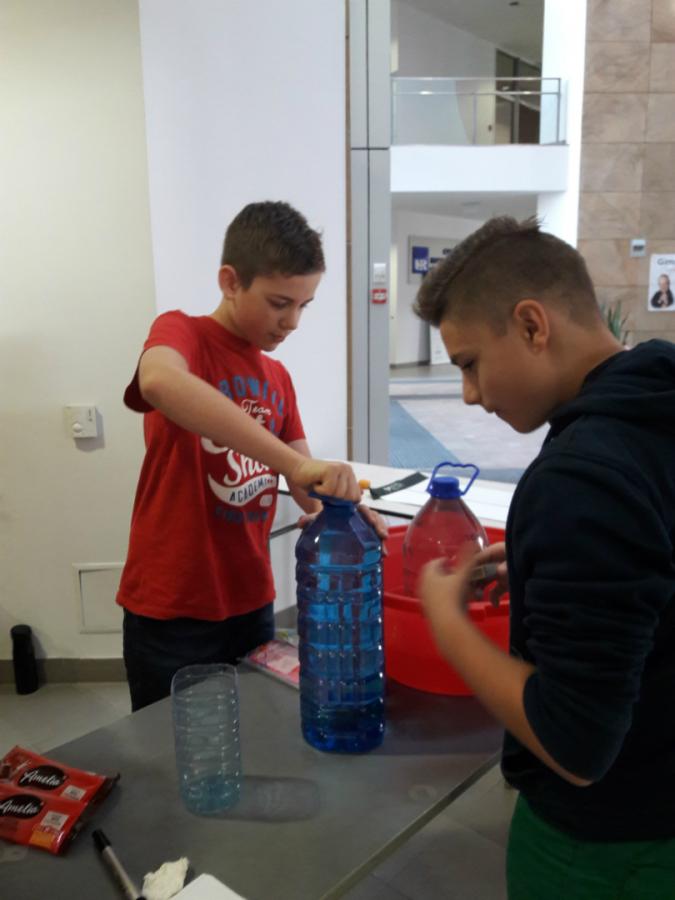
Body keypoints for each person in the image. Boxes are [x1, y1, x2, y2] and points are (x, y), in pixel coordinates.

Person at [413, 216, 675, 899]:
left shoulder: (582, 478)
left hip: (608, 847)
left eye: (469, 363)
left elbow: (575, 743)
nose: (470, 394)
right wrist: (542, 559)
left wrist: (448, 624)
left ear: (532, 326)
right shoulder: (655, 401)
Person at [118, 201, 383, 711]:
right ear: (230, 281)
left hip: (251, 601)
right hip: (172, 605)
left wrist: (343, 512)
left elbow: (307, 485)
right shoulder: (182, 334)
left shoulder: (277, 378)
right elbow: (158, 381)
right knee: (168, 744)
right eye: (280, 303)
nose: (293, 322)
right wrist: (295, 465)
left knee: (255, 733)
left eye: (304, 306)